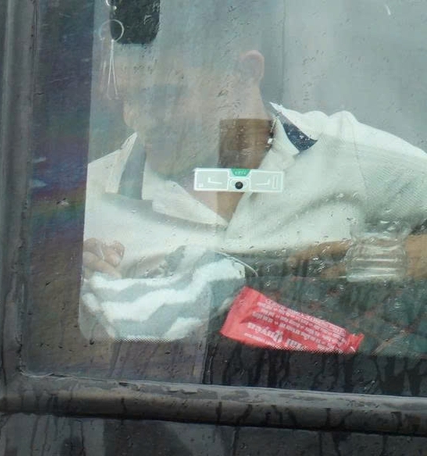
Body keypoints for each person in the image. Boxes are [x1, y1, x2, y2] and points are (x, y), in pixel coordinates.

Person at [81, 0, 427, 340]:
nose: (136, 118)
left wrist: (394, 258)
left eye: (163, 97)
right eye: (127, 97)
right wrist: (88, 294)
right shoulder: (88, 200)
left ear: (245, 73)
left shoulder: (348, 153)